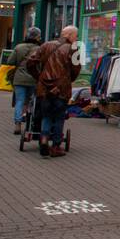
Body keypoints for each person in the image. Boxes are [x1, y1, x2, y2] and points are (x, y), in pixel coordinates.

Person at [24, 25, 80, 158]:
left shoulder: (45, 45)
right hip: (61, 89)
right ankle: (55, 146)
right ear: (70, 35)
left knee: (46, 115)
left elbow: (30, 63)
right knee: (59, 116)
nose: (76, 38)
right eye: (75, 36)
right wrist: (68, 80)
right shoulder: (73, 49)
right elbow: (76, 69)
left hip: (44, 88)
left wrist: (39, 77)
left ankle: (43, 139)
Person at [8, 27, 42, 135]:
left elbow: (10, 61)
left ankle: (18, 124)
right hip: (34, 78)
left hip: (19, 79)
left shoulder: (19, 47)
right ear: (37, 37)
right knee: (32, 101)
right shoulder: (40, 49)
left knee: (20, 101)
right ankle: (29, 120)